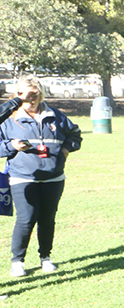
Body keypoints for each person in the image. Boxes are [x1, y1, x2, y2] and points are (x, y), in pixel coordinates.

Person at [0, 77, 82, 277]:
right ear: (18, 95)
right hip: (22, 176)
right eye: (26, 95)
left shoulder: (56, 116)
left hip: (54, 177)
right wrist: (12, 146)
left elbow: (75, 134)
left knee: (48, 219)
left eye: (34, 94)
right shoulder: (9, 119)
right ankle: (17, 261)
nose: (31, 99)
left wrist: (64, 151)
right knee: (26, 219)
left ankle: (45, 257)